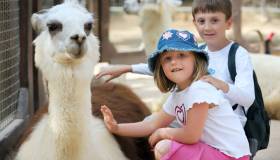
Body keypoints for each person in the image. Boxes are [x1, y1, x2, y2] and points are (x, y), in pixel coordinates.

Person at [96, 0, 254, 127]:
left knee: (163, 137)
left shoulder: (238, 55)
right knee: (148, 123)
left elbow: (247, 98)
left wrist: (220, 84)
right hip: (197, 116)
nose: (207, 27)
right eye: (201, 21)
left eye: (214, 20)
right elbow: (172, 68)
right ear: (195, 23)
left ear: (228, 23)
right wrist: (127, 68)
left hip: (226, 124)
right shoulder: (199, 51)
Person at [100, 29, 250, 160]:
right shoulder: (178, 95)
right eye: (167, 58)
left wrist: (162, 132)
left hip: (231, 156)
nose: (174, 62)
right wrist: (117, 128)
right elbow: (151, 124)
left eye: (181, 55)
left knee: (164, 147)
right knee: (165, 145)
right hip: (213, 152)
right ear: (161, 68)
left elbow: (191, 135)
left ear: (196, 60)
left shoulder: (200, 89)